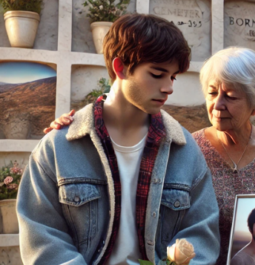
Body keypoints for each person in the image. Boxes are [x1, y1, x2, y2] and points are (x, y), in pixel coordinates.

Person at [45, 47, 255, 265]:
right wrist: (77, 125)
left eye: (231, 96)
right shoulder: (187, 147)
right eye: (212, 93)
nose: (217, 105)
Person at [17, 14, 220, 265]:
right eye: (157, 74)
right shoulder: (57, 147)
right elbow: (42, 238)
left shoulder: (185, 150)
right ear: (120, 67)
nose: (169, 87)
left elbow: (202, 233)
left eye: (173, 76)